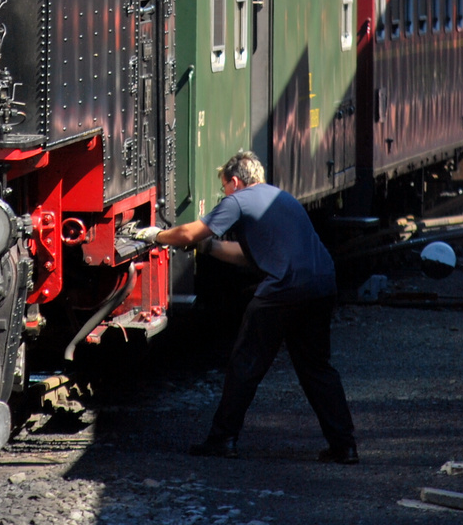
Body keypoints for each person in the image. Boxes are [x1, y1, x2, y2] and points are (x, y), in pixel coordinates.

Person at [138, 150, 359, 463]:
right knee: (317, 368)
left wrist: (156, 235)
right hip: (321, 284)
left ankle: (222, 439)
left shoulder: (238, 200)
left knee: (245, 364)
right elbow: (247, 254)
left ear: (235, 181)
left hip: (283, 290)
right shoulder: (282, 197)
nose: (224, 194)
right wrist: (209, 246)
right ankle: (344, 446)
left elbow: (189, 232)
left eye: (224, 187)